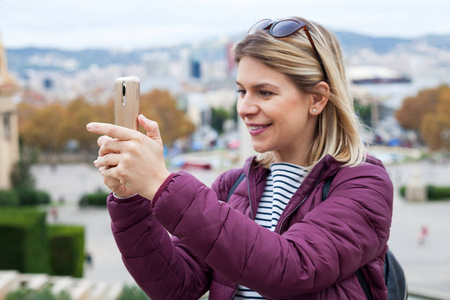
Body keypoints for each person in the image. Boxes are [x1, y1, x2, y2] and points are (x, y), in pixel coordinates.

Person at [87, 17, 393, 300]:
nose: (244, 108)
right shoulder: (233, 186)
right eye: (241, 91)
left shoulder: (363, 183)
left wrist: (161, 183)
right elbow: (175, 287)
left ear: (317, 98)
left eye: (264, 93)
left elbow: (291, 267)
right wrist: (130, 198)